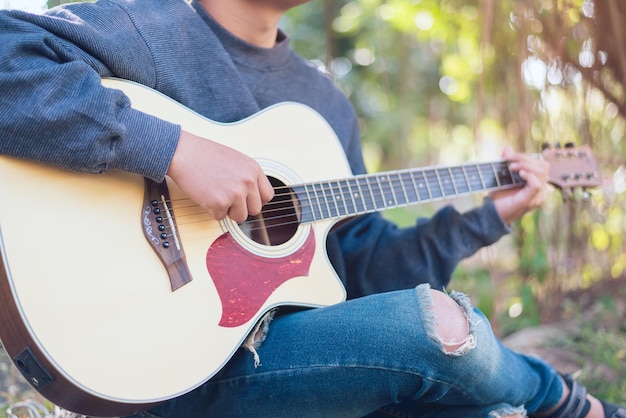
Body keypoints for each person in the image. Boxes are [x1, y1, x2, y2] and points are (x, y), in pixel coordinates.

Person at [0, 0, 624, 417]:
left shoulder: (321, 106)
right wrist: (172, 150)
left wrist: (489, 218)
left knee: (436, 344)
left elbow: (359, 274)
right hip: (153, 372)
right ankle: (566, 403)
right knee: (438, 326)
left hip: (278, 362)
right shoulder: (147, 26)